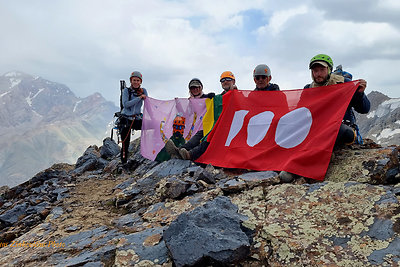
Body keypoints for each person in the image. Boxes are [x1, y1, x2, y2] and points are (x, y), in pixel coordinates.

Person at [279, 54, 370, 182]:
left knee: (337, 129)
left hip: (344, 130)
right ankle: (313, 160)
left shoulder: (344, 84)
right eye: (315, 71)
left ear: (329, 70)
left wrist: (360, 94)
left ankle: (299, 168)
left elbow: (364, 109)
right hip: (318, 131)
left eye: (322, 70)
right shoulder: (308, 89)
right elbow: (300, 114)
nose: (318, 74)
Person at [165, 71, 238, 160]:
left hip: (227, 127)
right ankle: (179, 151)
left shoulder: (237, 94)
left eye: (228, 79)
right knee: (201, 134)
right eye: (223, 80)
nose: (225, 81)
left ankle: (190, 154)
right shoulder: (219, 97)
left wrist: (234, 91)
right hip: (212, 125)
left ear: (233, 81)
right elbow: (185, 113)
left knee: (208, 137)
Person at [120, 71, 148, 163]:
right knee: (125, 143)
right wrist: (139, 98)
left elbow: (148, 103)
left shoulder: (143, 91)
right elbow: (126, 104)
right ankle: (123, 163)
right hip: (126, 120)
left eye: (138, 80)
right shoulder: (126, 91)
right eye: (134, 80)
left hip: (137, 119)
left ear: (141, 82)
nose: (136, 82)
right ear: (131, 81)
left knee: (155, 126)